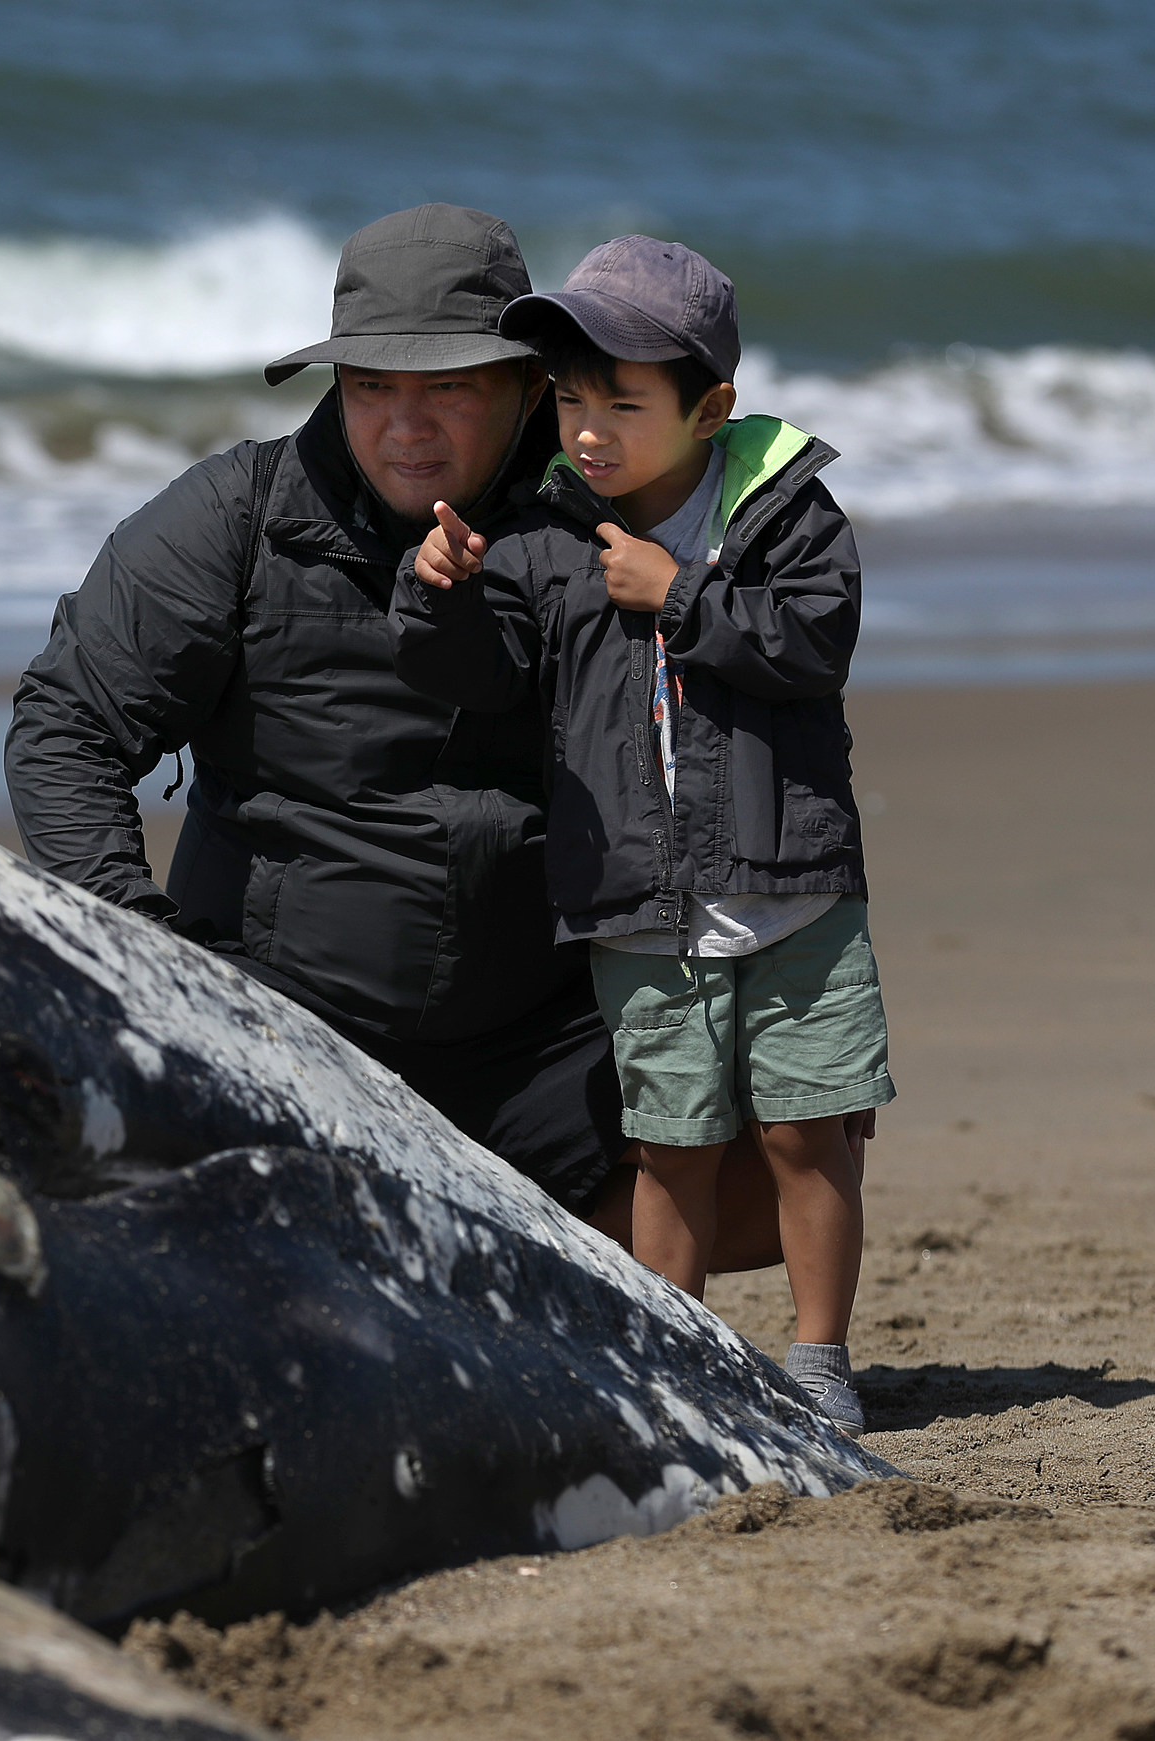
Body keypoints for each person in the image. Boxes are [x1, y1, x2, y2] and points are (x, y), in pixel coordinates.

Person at [6, 205, 789, 1263]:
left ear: (524, 384)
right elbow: (66, 724)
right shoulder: (235, 517)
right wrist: (151, 959)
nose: (404, 426)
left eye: (449, 388)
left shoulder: (602, 526)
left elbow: (749, 721)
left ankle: (459, 1249)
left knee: (793, 1138)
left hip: (537, 1034)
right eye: (373, 385)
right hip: (288, 1017)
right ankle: (418, 1245)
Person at [391, 236, 893, 1433]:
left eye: (623, 401)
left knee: (802, 1132)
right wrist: (435, 592)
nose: (588, 431)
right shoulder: (546, 535)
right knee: (666, 1149)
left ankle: (819, 1361)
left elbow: (813, 645)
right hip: (637, 903)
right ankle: (679, 1360)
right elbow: (481, 677)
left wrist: (677, 593)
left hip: (796, 891)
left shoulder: (786, 515)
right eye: (569, 400)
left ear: (709, 407)